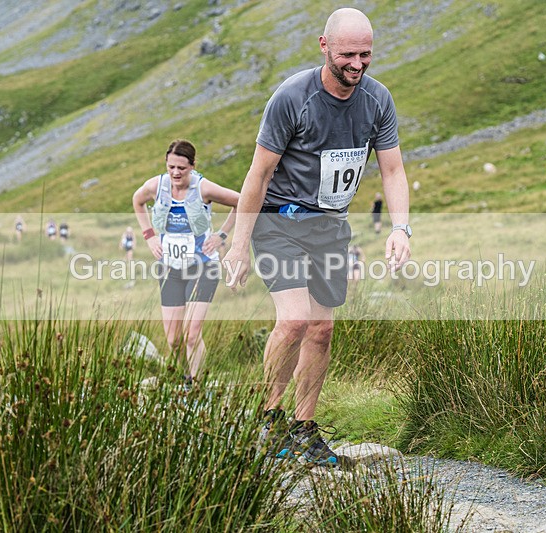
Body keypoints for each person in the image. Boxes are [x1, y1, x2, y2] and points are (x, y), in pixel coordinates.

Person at [223, 8, 411, 468]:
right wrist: (237, 245)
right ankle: (268, 421)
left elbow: (392, 168)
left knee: (322, 329)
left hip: (331, 227)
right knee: (293, 321)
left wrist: (400, 228)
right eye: (349, 54)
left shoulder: (377, 99)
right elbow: (259, 173)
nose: (358, 64)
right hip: (280, 222)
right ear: (324, 46)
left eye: (366, 54)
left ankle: (304, 430)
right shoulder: (291, 97)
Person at [133, 139, 239, 383]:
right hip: (170, 268)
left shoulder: (203, 188)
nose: (175, 173)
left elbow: (242, 201)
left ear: (192, 166)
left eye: (181, 168)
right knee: (173, 339)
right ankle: (186, 376)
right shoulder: (156, 186)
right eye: (171, 167)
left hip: (203, 266)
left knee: (192, 334)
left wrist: (221, 236)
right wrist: (149, 236)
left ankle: (197, 384)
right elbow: (137, 201)